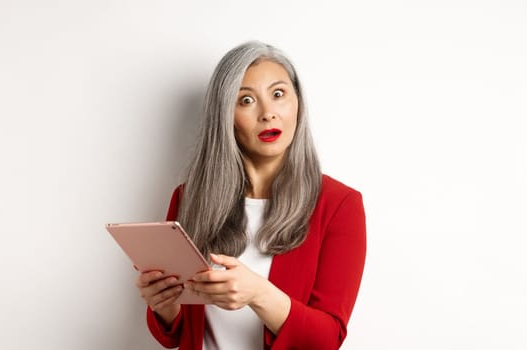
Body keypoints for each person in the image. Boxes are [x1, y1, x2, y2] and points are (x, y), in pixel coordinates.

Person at [134, 41, 366, 349]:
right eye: (246, 100)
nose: (268, 113)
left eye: (278, 94)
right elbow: (175, 335)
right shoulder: (190, 199)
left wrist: (258, 293)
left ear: (298, 103)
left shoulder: (339, 205)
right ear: (225, 116)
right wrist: (163, 305)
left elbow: (327, 339)